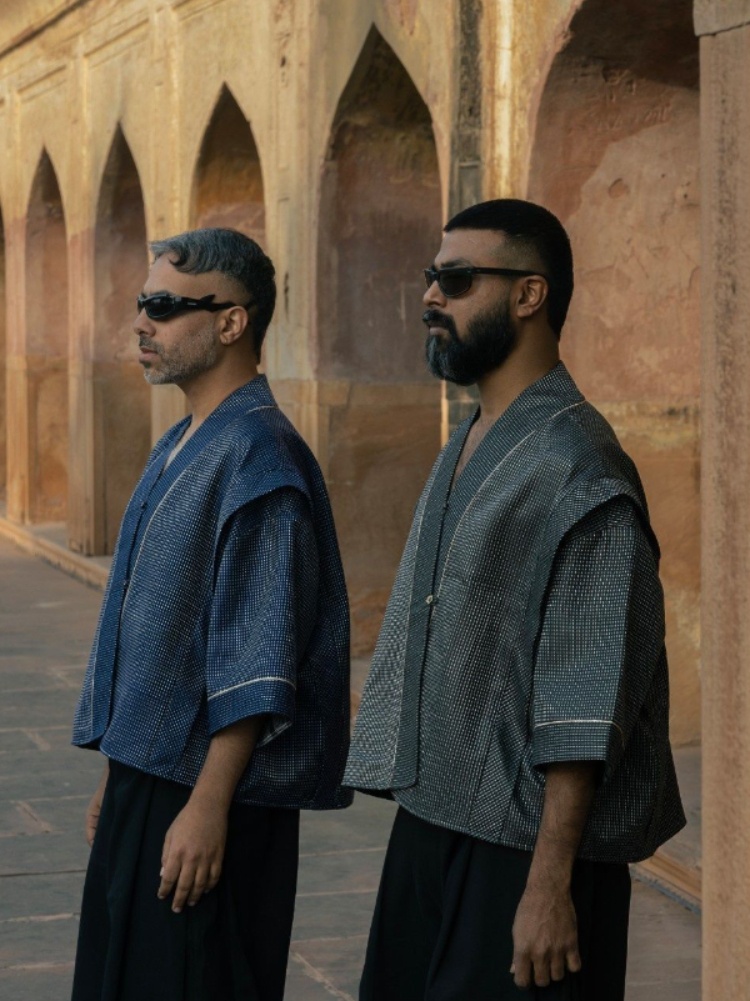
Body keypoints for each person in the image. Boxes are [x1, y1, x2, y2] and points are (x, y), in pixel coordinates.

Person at [343, 199, 685, 1001]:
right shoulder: (469, 436)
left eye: (458, 280)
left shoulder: (581, 466)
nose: (432, 295)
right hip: (433, 824)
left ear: (529, 295)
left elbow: (586, 698)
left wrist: (548, 886)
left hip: (524, 855)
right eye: (432, 276)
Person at [70, 227, 352, 1001]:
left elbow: (255, 659)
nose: (142, 324)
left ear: (232, 320)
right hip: (151, 775)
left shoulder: (261, 455)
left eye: (164, 306)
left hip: (209, 794)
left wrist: (206, 806)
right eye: (142, 303)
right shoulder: (180, 442)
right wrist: (118, 766)